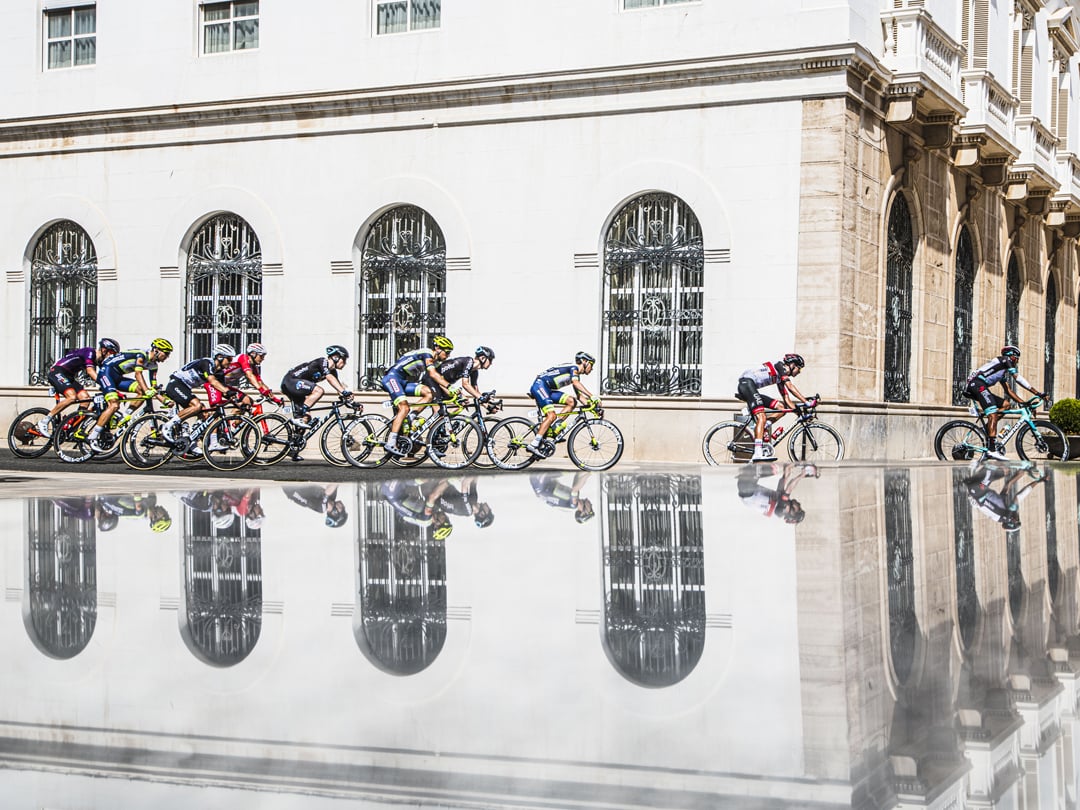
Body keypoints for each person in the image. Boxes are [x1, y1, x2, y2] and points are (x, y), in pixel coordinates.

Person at [84, 338, 173, 452]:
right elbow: (138, 375)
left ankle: (126, 415)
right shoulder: (141, 355)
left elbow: (153, 388)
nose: (167, 357)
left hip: (117, 377)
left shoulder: (153, 366)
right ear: (157, 350)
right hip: (106, 372)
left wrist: (164, 401)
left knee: (141, 391)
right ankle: (93, 437)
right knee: (114, 405)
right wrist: (147, 390)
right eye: (166, 354)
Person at [963, 345, 1047, 460]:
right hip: (976, 384)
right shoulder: (1004, 360)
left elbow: (1008, 390)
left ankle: (987, 430)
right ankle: (992, 450)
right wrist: (1037, 393)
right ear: (1012, 356)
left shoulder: (1001, 370)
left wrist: (1024, 403)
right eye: (1017, 358)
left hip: (979, 386)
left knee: (1006, 405)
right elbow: (1018, 378)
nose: (1017, 361)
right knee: (992, 413)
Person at [380, 336, 455, 456]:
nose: (448, 356)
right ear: (438, 349)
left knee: (428, 393)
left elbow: (436, 379)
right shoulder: (427, 353)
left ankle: (410, 417)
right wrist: (450, 386)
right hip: (392, 378)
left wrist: (450, 392)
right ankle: (391, 442)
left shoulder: (433, 362)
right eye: (447, 352)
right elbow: (432, 374)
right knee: (404, 408)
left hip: (402, 381)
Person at [736, 353, 812, 462]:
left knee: (781, 407)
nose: (799, 372)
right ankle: (757, 453)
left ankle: (764, 425)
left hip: (750, 387)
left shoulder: (780, 377)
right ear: (792, 365)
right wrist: (806, 402)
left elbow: (787, 400)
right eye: (799, 369)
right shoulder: (780, 366)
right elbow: (790, 387)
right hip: (746, 383)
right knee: (762, 417)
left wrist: (801, 414)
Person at [38, 337, 120, 436]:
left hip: (69, 377)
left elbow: (106, 376)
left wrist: (114, 388)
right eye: (111, 353)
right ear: (104, 350)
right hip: (57, 372)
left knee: (85, 399)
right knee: (72, 397)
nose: (112, 356)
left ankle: (71, 427)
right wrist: (105, 385)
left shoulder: (100, 362)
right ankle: (45, 421)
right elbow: (90, 372)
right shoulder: (90, 352)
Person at [526, 351, 599, 457]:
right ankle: (534, 444)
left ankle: (556, 426)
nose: (591, 369)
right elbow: (576, 383)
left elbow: (580, 397)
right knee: (551, 415)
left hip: (547, 389)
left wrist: (593, 407)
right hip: (540, 386)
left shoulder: (575, 375)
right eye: (591, 365)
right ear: (584, 361)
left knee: (571, 401)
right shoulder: (574, 368)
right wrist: (592, 396)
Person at [161, 344, 235, 446]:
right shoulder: (207, 363)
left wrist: (235, 400)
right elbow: (212, 381)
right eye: (229, 359)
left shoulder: (219, 372)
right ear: (220, 357)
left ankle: (193, 443)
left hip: (185, 388)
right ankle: (168, 426)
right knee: (197, 406)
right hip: (176, 384)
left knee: (205, 414)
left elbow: (222, 389)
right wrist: (227, 391)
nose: (231, 363)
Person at [281, 345, 353, 427]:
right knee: (319, 391)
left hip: (297, 389)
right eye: (344, 359)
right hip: (290, 380)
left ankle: (295, 438)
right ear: (336, 357)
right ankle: (299, 413)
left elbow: (339, 388)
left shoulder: (333, 372)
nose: (345, 363)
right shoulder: (322, 362)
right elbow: (329, 378)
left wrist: (352, 402)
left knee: (306, 418)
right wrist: (344, 392)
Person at [963, 458, 1045, 530]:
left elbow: (1018, 497)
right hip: (977, 490)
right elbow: (1008, 485)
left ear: (1012, 521)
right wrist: (1021, 473)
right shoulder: (1002, 510)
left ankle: (978, 464)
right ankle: (980, 463)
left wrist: (1038, 481)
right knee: (1005, 472)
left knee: (991, 467)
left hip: (977, 490)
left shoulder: (1006, 517)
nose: (1018, 516)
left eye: (1017, 519)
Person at [736, 462, 817, 523]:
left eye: (799, 509)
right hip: (747, 487)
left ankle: (750, 467)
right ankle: (751, 464)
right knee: (773, 467)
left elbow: (789, 488)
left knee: (773, 469)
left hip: (746, 489)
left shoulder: (781, 510)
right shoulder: (781, 502)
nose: (799, 504)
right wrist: (793, 465)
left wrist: (803, 474)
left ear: (792, 512)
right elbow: (785, 477)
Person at [429, 345, 494, 402]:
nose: (491, 363)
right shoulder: (469, 361)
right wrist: (481, 398)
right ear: (483, 358)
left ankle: (445, 416)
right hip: (434, 381)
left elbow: (475, 391)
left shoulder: (474, 371)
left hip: (444, 385)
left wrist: (488, 404)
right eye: (490, 360)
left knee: (464, 401)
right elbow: (465, 384)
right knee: (439, 411)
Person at [530, 471, 594, 523]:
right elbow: (577, 476)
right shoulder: (573, 502)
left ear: (583, 513)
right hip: (541, 484)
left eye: (590, 509)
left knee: (567, 470)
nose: (591, 505)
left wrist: (590, 473)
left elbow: (575, 488)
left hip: (541, 482)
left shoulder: (573, 504)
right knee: (570, 469)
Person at [283, 483, 348, 527]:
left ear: (335, 513)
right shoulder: (332, 498)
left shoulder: (321, 508)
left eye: (343, 510)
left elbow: (327, 493)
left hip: (291, 489)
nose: (344, 507)